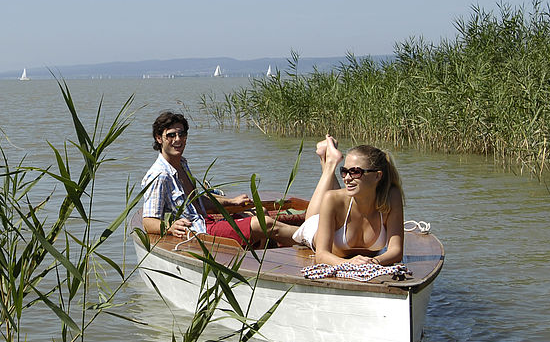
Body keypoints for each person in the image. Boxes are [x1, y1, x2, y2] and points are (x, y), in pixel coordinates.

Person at [140, 111, 298, 246]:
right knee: (265, 224)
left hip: (207, 222)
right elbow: (148, 221)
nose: (178, 139)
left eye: (181, 134)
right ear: (159, 138)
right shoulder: (159, 176)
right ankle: (315, 241)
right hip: (201, 233)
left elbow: (197, 202)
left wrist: (231, 202)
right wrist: (170, 227)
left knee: (260, 212)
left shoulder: (181, 163)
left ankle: (260, 257)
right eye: (171, 135)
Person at [292, 136, 405, 267]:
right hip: (316, 226)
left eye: (355, 172)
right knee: (282, 229)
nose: (347, 178)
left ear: (377, 175)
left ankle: (328, 156)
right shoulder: (331, 198)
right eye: (344, 171)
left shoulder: (391, 196)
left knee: (344, 193)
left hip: (341, 212)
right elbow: (321, 255)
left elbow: (396, 251)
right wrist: (349, 263)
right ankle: (330, 163)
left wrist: (373, 262)